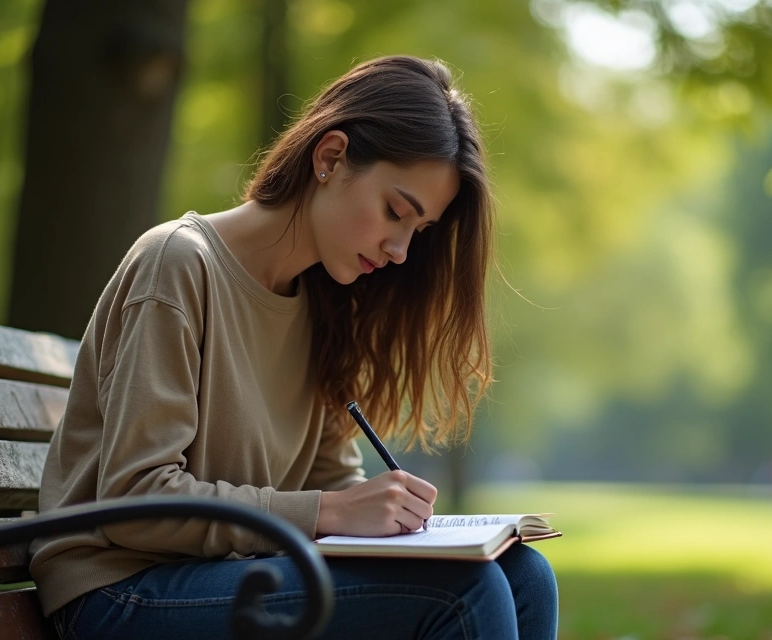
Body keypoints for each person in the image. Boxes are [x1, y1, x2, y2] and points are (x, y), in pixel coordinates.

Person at [28, 55, 559, 640]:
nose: (401, 250)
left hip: (230, 577)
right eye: (395, 212)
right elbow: (137, 500)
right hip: (121, 592)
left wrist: (388, 519)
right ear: (330, 158)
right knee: (460, 593)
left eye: (418, 231)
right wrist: (333, 513)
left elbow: (334, 483)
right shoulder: (179, 265)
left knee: (523, 574)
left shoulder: (325, 304)